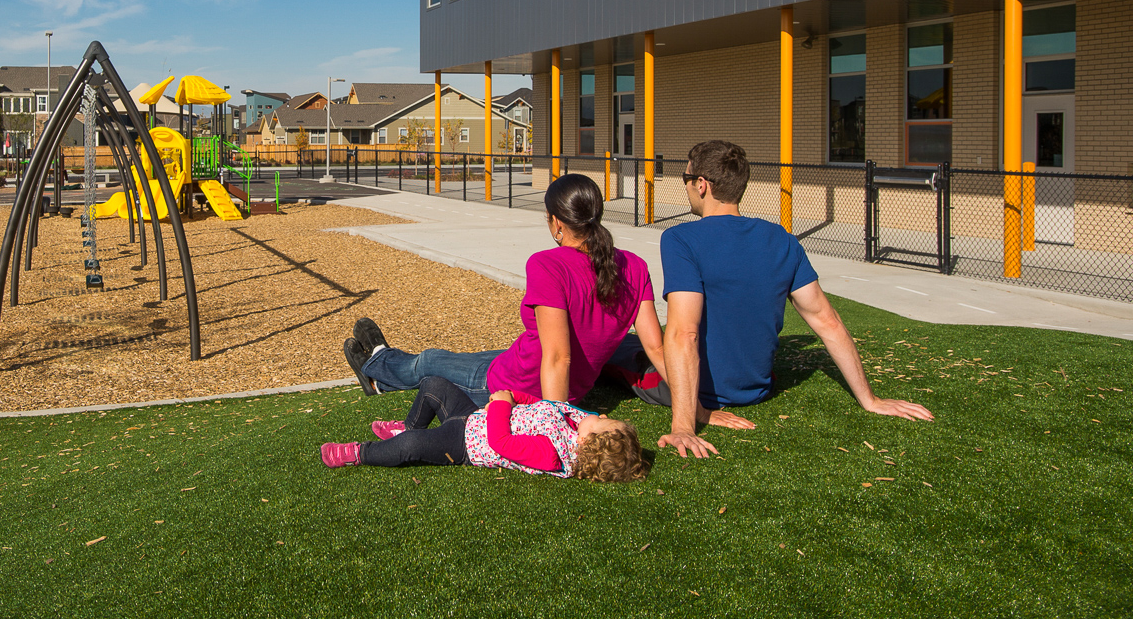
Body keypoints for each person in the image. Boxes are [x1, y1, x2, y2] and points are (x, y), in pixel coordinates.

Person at [624, 140, 934, 459]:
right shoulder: (783, 240)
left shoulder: (680, 239)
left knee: (621, 349)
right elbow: (827, 321)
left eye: (686, 181)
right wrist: (871, 400)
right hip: (757, 389)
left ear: (702, 185)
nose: (686, 188)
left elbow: (683, 334)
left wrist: (685, 426)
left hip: (703, 394)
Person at [343, 173, 657, 407]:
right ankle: (384, 369)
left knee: (429, 361)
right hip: (539, 369)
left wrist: (554, 423)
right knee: (461, 358)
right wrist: (693, 411)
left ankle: (377, 366)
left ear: (558, 224)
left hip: (517, 385)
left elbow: (559, 357)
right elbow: (657, 348)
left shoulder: (549, 265)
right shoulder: (635, 266)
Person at [319, 374, 650, 482]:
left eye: (605, 422)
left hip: (464, 444)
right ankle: (405, 425)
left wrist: (502, 404)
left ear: (589, 441)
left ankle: (359, 453)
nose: (602, 415)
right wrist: (507, 397)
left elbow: (501, 442)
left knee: (414, 446)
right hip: (473, 415)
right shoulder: (573, 419)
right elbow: (537, 405)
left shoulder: (551, 454)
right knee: (433, 385)